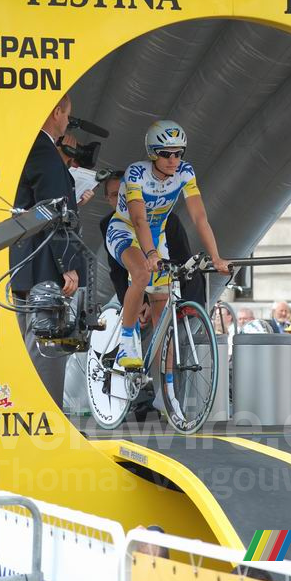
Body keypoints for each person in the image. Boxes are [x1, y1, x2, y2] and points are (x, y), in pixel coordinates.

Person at [105, 120, 230, 399]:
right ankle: (127, 339)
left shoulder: (185, 172)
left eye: (178, 153)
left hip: (156, 236)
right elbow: (138, 219)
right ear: (152, 153)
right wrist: (150, 254)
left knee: (165, 318)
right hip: (126, 230)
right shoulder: (136, 173)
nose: (173, 160)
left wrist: (216, 256)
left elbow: (199, 217)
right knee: (141, 274)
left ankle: (167, 394)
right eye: (165, 153)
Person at [10, 94, 90, 407]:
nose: (68, 122)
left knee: (30, 343)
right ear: (57, 113)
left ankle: (31, 415)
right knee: (48, 346)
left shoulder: (20, 144)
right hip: (45, 264)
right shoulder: (42, 148)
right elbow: (54, 209)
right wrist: (68, 262)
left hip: (23, 261)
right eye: (67, 115)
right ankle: (47, 420)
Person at [100, 170, 206, 310]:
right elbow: (118, 272)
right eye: (115, 195)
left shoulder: (168, 219)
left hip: (175, 289)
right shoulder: (109, 224)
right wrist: (134, 306)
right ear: (107, 199)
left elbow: (181, 262)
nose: (122, 198)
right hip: (141, 288)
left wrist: (154, 301)